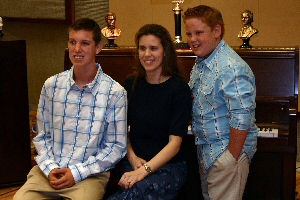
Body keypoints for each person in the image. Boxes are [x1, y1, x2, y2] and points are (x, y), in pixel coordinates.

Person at [14, 18, 127, 200]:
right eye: (72, 42)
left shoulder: (115, 93)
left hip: (89, 175)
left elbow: (116, 147)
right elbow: (42, 137)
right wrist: (51, 168)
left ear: (98, 48)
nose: (77, 49)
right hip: (49, 173)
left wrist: (76, 172)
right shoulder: (51, 86)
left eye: (85, 43)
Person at [108, 24, 192, 200]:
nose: (147, 54)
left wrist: (144, 171)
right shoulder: (131, 84)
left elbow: (174, 144)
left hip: (168, 167)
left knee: (135, 193)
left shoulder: (178, 88)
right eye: (142, 48)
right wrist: (133, 159)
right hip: (135, 163)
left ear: (165, 52)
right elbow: (121, 132)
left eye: (153, 48)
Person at [183, 5, 258, 200]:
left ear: (217, 31)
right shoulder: (202, 62)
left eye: (199, 32)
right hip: (207, 152)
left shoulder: (231, 67)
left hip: (225, 155)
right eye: (189, 33)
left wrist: (229, 159)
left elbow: (242, 117)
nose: (192, 40)